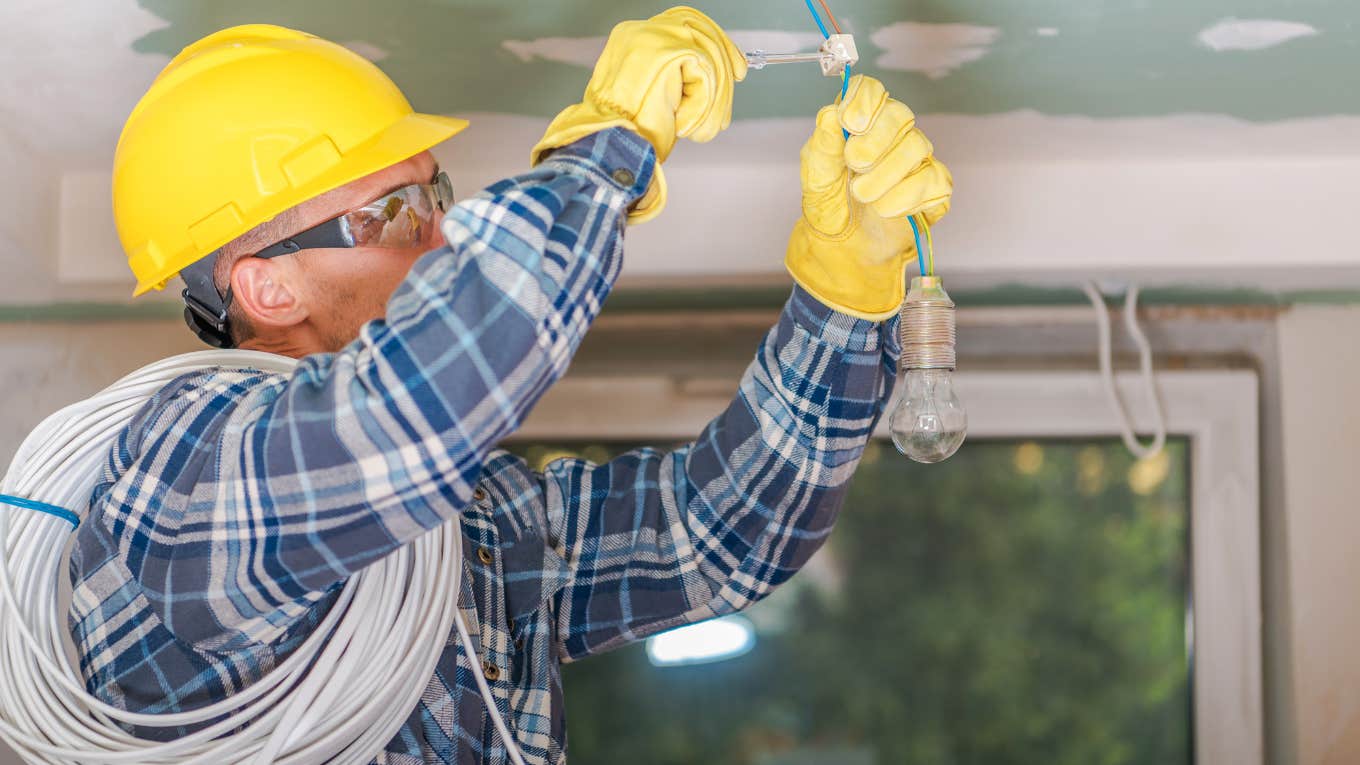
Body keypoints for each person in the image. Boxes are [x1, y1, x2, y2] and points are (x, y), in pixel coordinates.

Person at [77, 7, 951, 763]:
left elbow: (714, 536)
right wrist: (606, 150)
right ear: (267, 287)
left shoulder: (474, 525)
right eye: (395, 212)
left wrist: (842, 295)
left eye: (435, 193)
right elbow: (442, 384)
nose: (440, 230)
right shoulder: (176, 479)